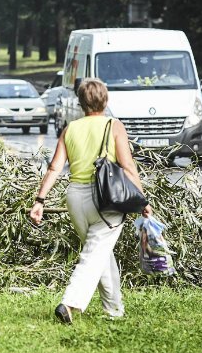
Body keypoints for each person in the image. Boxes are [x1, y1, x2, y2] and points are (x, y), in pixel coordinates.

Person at [29, 78, 152, 324]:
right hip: (106, 199)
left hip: (75, 199)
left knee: (100, 253)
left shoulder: (70, 129)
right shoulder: (114, 126)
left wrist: (40, 201)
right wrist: (143, 201)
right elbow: (128, 166)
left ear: (81, 103)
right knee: (93, 254)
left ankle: (115, 310)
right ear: (105, 100)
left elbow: (54, 168)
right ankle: (69, 303)